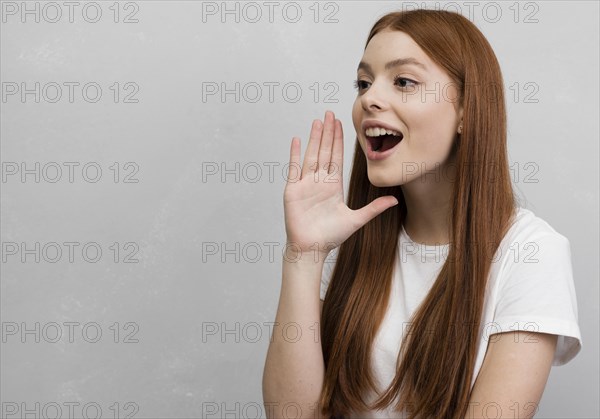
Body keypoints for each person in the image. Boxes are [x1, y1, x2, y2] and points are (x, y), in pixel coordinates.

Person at [262, 9, 582, 419]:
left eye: (404, 82)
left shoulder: (532, 253)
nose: (369, 99)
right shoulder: (349, 239)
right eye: (363, 83)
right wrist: (303, 257)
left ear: (467, 109)